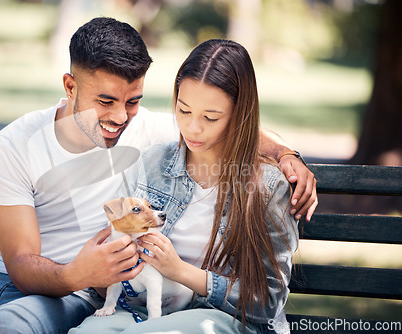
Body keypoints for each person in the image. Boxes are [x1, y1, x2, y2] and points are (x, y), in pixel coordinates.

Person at [0, 18, 316, 333]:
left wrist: (286, 154)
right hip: (18, 275)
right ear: (69, 85)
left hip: (88, 294)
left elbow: (230, 123)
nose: (120, 117)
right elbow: (21, 265)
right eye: (105, 101)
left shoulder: (154, 133)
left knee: (14, 324)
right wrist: (84, 273)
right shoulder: (17, 142)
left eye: (132, 101)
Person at [70, 39, 301, 334]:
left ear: (239, 114)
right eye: (184, 110)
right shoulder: (154, 162)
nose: (193, 128)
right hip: (145, 307)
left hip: (220, 317)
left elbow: (268, 300)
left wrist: (179, 270)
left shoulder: (267, 186)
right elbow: (117, 242)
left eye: (210, 117)